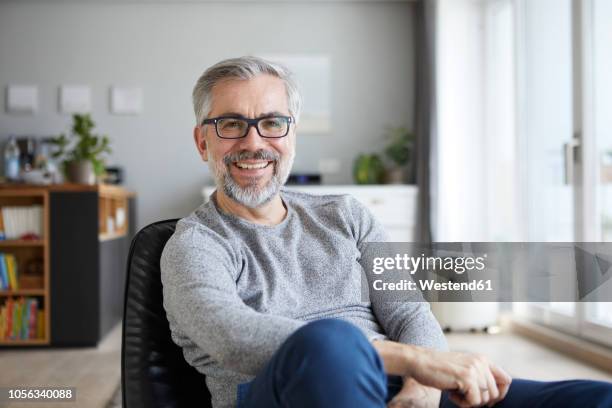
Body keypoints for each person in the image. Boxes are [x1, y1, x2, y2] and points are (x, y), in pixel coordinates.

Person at [160, 56, 612, 408]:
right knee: (329, 340)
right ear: (204, 141)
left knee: (595, 398)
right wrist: (419, 360)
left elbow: (411, 314)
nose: (254, 142)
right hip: (287, 394)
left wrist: (421, 386)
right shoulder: (195, 245)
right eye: (231, 124)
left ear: (292, 135)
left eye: (272, 123)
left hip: (398, 387)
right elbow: (232, 337)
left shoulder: (346, 214)